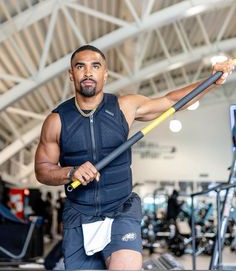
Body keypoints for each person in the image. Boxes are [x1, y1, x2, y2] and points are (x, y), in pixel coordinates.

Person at [35, 45, 234, 270]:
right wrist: (70, 172)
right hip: (81, 215)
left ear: (105, 73)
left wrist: (211, 80)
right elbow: (42, 169)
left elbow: (170, 102)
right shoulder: (57, 121)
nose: (88, 73)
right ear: (71, 74)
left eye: (95, 66)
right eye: (80, 67)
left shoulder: (124, 106)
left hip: (121, 209)